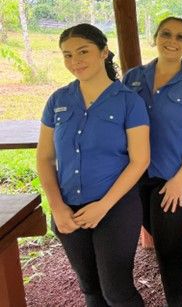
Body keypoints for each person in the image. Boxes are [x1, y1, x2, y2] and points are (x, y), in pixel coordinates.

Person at [36, 23, 150, 306]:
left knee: (117, 292)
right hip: (68, 209)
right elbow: (45, 157)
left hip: (116, 207)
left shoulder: (128, 101)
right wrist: (57, 207)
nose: (75, 61)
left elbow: (140, 160)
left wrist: (103, 206)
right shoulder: (58, 100)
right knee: (90, 289)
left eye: (83, 51)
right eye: (67, 55)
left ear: (103, 52)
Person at [123, 17, 182, 307]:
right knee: (160, 236)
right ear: (155, 37)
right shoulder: (133, 77)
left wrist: (180, 178)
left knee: (169, 249)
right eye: (166, 34)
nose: (172, 41)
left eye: (180, 37)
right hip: (141, 175)